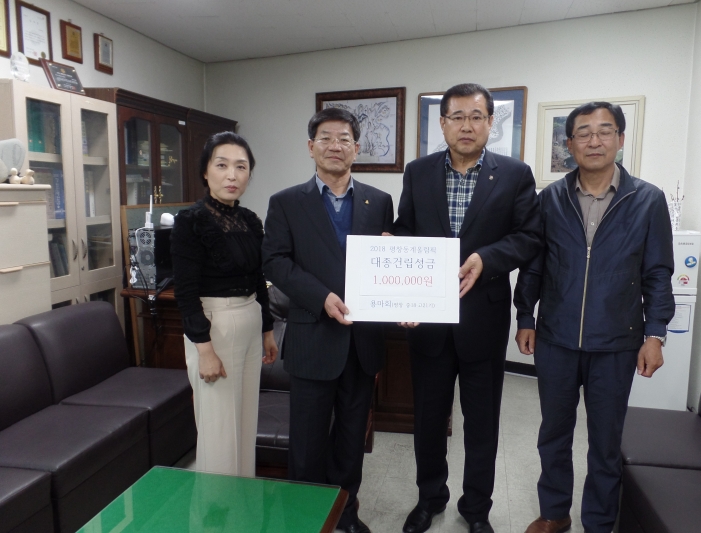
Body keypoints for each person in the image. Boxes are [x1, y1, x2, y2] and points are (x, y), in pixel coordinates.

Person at [514, 101, 675, 533]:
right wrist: (525, 316)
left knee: (605, 441)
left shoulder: (647, 200)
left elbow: (658, 272)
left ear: (620, 139)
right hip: (556, 339)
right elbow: (534, 265)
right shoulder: (550, 199)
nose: (594, 141)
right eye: (583, 133)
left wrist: (655, 334)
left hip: (617, 342)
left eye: (605, 131)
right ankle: (554, 512)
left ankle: (599, 522)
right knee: (553, 434)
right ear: (570, 144)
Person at [394, 83, 542, 533]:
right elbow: (405, 230)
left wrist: (486, 258)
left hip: (483, 318)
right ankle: (429, 498)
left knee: (482, 424)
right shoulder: (418, 172)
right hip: (429, 320)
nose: (466, 125)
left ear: (490, 123)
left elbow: (528, 237)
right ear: (442, 124)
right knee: (428, 421)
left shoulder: (515, 174)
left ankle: (476, 508)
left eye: (476, 116)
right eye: (456, 117)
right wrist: (390, 249)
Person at [261, 108, 394, 533]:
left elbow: (386, 263)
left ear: (357, 148)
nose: (335, 146)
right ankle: (304, 519)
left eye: (344, 139)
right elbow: (275, 261)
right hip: (312, 336)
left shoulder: (379, 202)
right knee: (307, 442)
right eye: (325, 138)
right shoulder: (286, 202)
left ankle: (345, 514)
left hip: (362, 342)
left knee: (351, 440)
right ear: (310, 146)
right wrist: (321, 297)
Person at [172, 131, 279, 477]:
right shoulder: (190, 221)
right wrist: (204, 350)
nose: (232, 175)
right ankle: (216, 507)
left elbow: (258, 278)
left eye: (241, 167)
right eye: (222, 165)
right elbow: (185, 292)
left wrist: (267, 329)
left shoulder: (249, 220)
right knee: (219, 430)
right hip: (214, 328)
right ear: (205, 172)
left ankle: (243, 503)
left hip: (250, 319)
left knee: (245, 425)